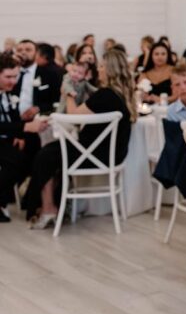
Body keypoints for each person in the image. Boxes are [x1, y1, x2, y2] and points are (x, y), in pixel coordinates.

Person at [24, 49, 136, 228]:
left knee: (45, 155)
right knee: (52, 152)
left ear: (109, 70)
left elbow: (73, 114)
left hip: (94, 155)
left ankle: (48, 209)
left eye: (101, 66)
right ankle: (56, 206)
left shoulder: (105, 94)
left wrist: (68, 92)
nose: (98, 70)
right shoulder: (121, 95)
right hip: (112, 154)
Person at [0, 52, 48, 222]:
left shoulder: (6, 91)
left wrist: (20, 135)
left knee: (30, 155)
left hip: (5, 137)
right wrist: (26, 127)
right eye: (8, 77)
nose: (13, 81)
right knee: (15, 160)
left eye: (15, 76)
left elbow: (10, 116)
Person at [33, 43, 64, 112]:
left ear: (44, 56)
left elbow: (57, 97)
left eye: (36, 54)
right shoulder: (38, 69)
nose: (34, 57)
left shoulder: (54, 72)